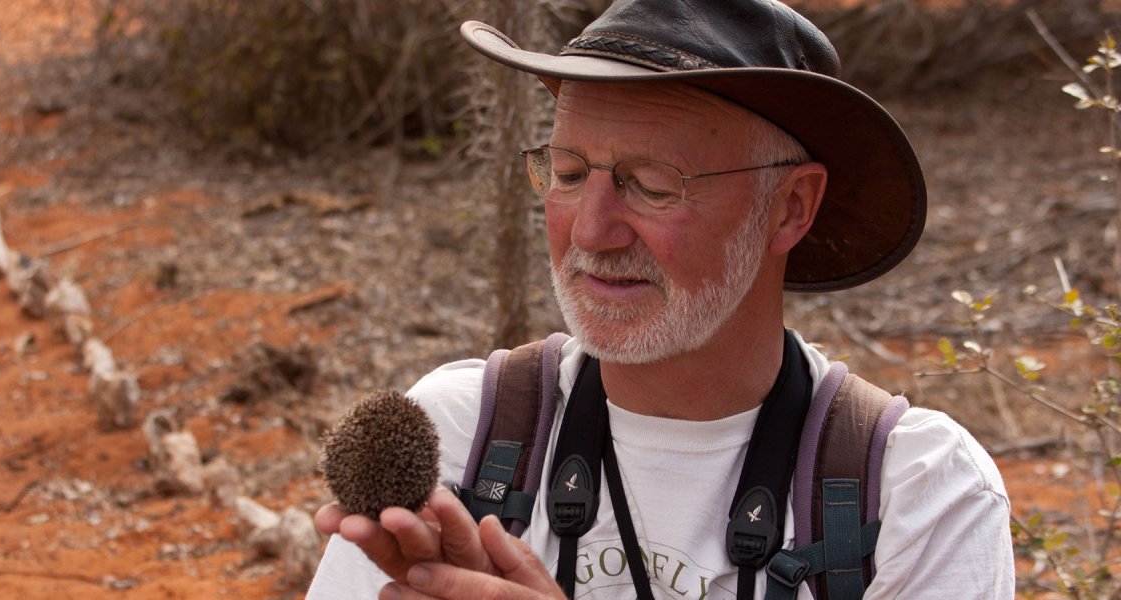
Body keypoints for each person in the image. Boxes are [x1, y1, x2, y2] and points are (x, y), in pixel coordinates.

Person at [306, 0, 1014, 598]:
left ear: (791, 207)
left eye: (651, 184)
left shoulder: (918, 497)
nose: (591, 230)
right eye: (570, 171)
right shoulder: (461, 437)